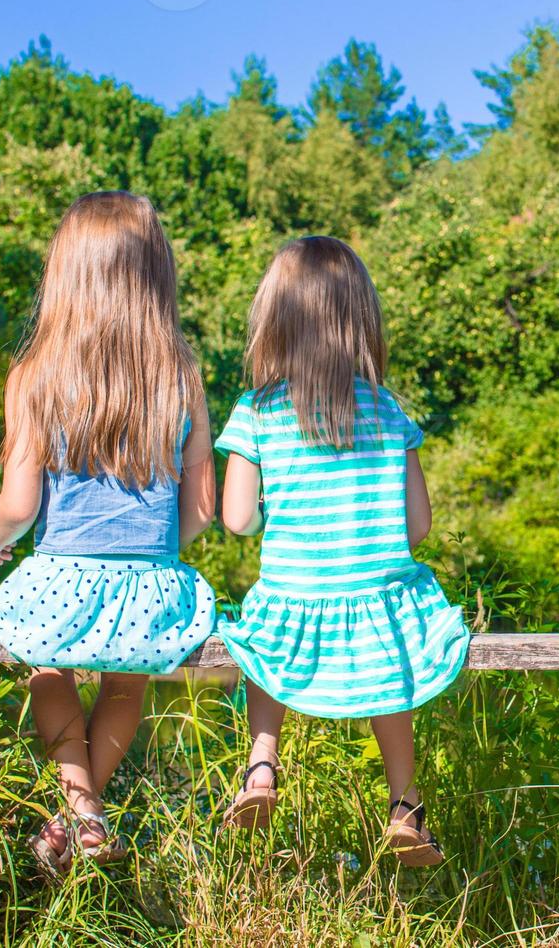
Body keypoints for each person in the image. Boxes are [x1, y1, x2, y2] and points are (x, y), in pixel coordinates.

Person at [0, 191, 217, 876]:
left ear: (65, 273)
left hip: (60, 574)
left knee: (46, 669)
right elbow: (200, 507)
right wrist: (155, 558)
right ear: (155, 275)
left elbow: (19, 506)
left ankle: (81, 816)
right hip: (151, 580)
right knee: (124, 687)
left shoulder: (33, 378)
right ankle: (82, 820)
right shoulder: (180, 375)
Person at [215, 235, 469, 867]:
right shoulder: (387, 409)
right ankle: (405, 806)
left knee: (261, 638)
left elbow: (238, 518)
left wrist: (285, 512)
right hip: (376, 603)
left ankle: (261, 768)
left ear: (275, 318)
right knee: (394, 675)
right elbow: (418, 527)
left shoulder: (258, 411)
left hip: (296, 597)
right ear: (360, 317)